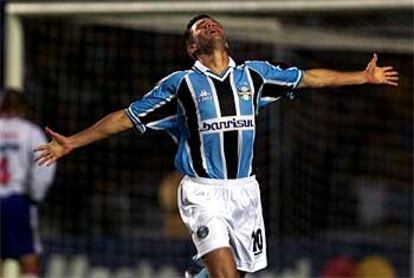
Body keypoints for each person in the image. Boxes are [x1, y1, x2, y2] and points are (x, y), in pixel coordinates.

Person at [34, 14, 398, 278]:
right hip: (203, 193)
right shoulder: (181, 86)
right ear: (193, 46)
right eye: (199, 26)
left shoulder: (254, 76)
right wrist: (74, 142)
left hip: (246, 193)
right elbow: (125, 118)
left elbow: (309, 79)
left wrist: (362, 77)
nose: (209, 25)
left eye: (212, 22)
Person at [0, 89, 56, 278]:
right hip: (17, 201)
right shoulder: (29, 131)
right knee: (28, 259)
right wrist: (35, 195)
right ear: (22, 108)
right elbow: (44, 165)